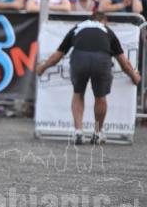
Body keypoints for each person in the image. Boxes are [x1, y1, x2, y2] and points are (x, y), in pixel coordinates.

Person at [36, 12, 141, 145]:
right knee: (100, 97)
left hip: (79, 58)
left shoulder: (77, 28)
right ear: (104, 21)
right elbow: (124, 63)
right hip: (101, 60)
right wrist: (134, 76)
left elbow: (56, 56)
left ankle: (79, 132)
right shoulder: (107, 30)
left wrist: (42, 68)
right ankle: (97, 133)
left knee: (78, 93)